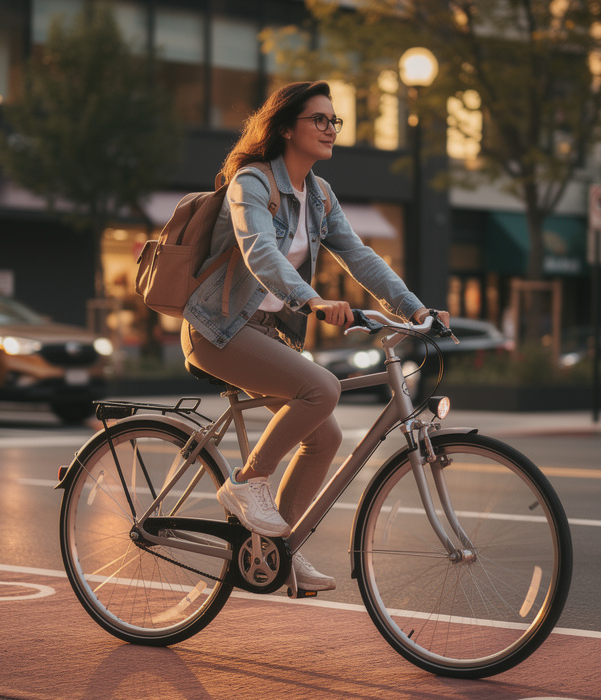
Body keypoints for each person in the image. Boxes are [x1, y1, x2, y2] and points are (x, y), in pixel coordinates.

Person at [181, 81, 449, 593]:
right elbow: (260, 250)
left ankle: (280, 550)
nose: (330, 129)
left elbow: (361, 257)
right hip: (216, 328)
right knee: (322, 388)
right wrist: (313, 299)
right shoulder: (252, 183)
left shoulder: (319, 195)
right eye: (318, 120)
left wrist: (414, 308)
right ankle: (247, 482)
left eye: (334, 121)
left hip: (260, 331)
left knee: (325, 435)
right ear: (286, 128)